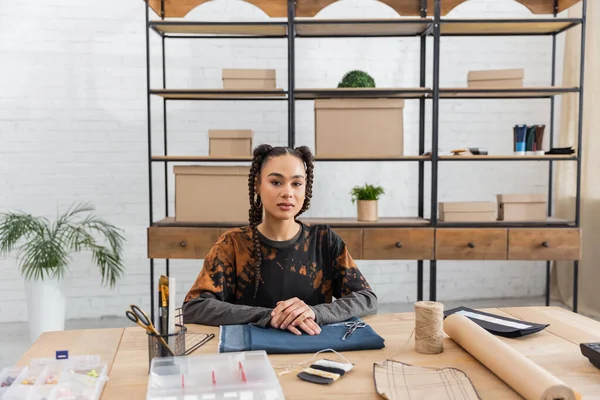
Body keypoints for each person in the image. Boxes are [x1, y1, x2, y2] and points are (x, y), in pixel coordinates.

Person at [182, 144, 378, 336]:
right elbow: (195, 307)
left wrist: (316, 312)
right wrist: (269, 316)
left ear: (305, 188)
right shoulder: (232, 244)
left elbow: (366, 298)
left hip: (314, 351)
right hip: (250, 356)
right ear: (257, 185)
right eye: (276, 182)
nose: (287, 192)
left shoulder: (324, 240)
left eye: (296, 183)